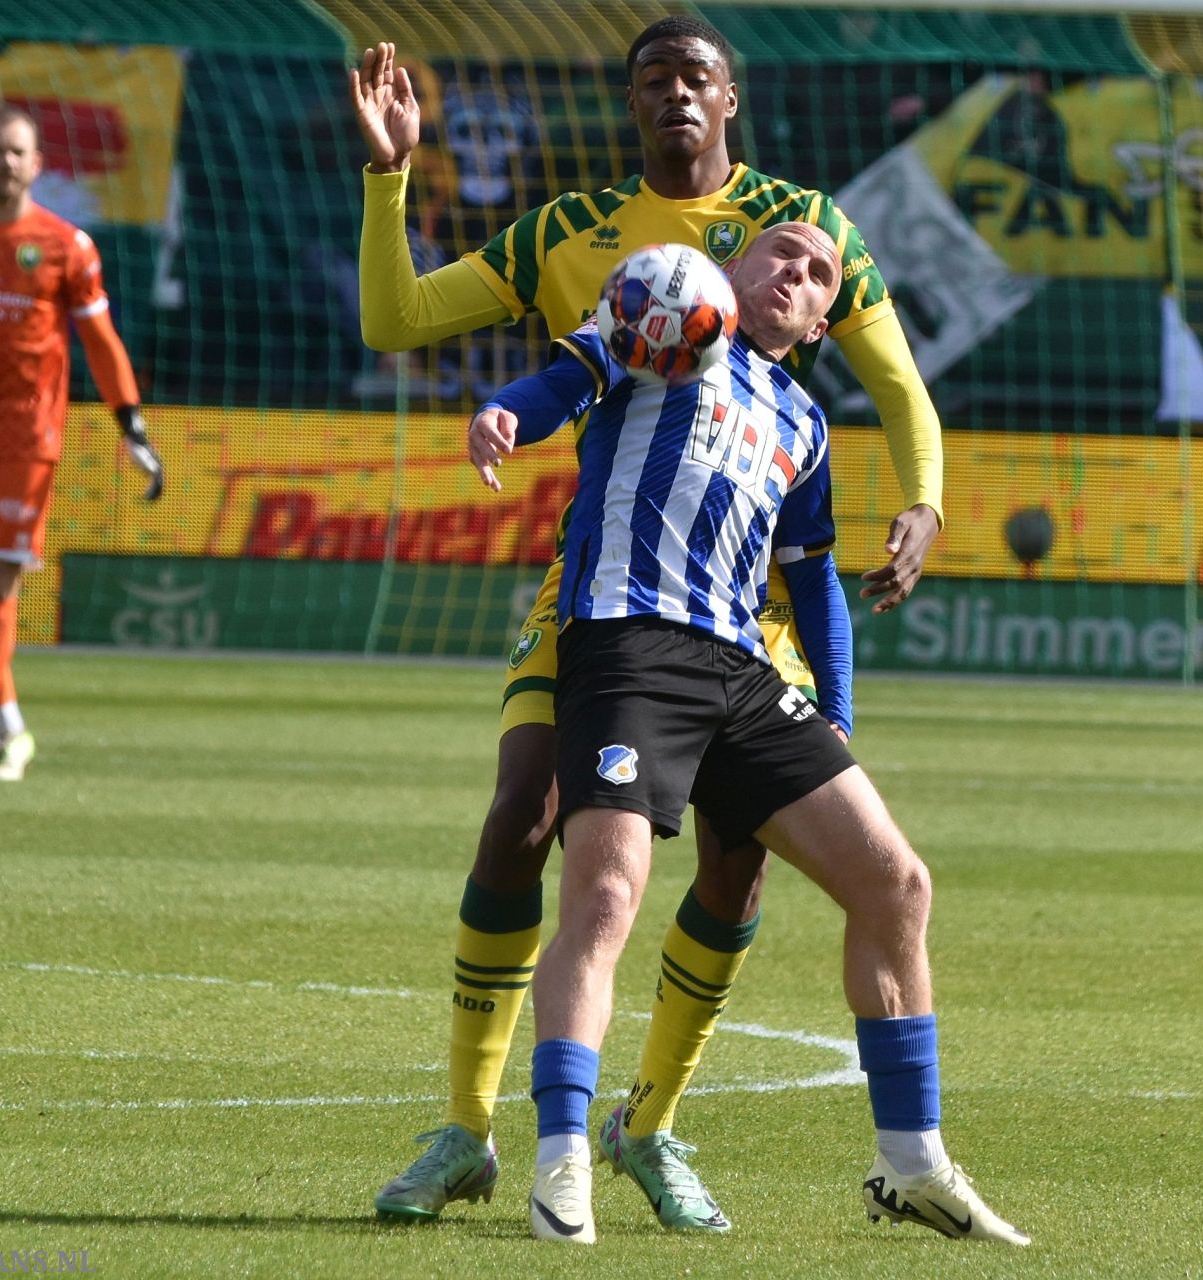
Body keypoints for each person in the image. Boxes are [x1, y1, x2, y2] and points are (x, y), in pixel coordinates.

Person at [351, 17, 944, 1229]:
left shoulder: (804, 226)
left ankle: (648, 1125)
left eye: (696, 76)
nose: (675, 93)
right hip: (606, 588)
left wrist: (925, 497)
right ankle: (468, 1129)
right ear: (633, 104)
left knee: (739, 864)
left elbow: (894, 386)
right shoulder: (573, 233)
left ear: (731, 98)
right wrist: (389, 176)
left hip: (750, 605)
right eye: (653, 79)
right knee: (525, 815)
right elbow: (398, 319)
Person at [485, 223, 1024, 1246]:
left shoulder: (806, 420)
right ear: (730, 275)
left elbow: (813, 574)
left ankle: (910, 1159)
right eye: (780, 253)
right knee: (605, 894)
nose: (797, 272)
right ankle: (562, 1160)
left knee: (896, 881)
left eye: (819, 273)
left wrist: (836, 713)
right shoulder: (661, 329)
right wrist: (502, 414)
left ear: (824, 321)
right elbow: (565, 377)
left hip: (742, 672)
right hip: (628, 643)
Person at [0, 104, 162, 783]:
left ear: (37, 164)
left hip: (28, 433)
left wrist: (129, 422)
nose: (6, 162)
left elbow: (101, 342)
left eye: (18, 152)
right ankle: (11, 727)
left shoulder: (67, 245)